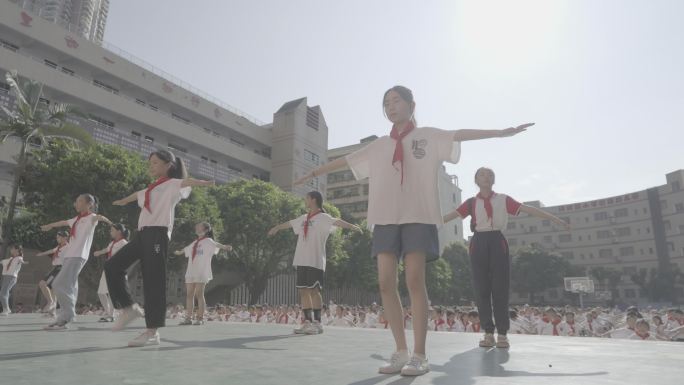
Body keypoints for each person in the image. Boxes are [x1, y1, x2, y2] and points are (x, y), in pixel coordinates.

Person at [293, 85, 531, 376]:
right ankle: (400, 351)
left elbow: (458, 134)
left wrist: (499, 132)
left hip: (418, 215)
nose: (391, 106)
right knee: (384, 283)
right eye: (386, 103)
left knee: (415, 281)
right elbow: (347, 160)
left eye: (396, 101)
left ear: (411, 104)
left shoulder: (427, 136)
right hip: (385, 217)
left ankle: (419, 354)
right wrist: (314, 172)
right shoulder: (380, 145)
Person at [444, 167, 570, 348]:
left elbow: (529, 209)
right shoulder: (471, 203)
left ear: (494, 180)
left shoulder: (502, 199)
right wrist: (424, 223)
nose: (486, 178)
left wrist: (555, 219)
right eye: (482, 175)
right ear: (476, 180)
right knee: (481, 290)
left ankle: (502, 333)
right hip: (478, 242)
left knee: (500, 289)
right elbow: (450, 216)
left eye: (489, 175)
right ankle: (488, 333)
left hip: (497, 241)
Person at [106, 149, 214, 347]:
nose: (151, 166)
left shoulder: (172, 184)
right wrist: (123, 201)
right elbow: (136, 195)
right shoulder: (151, 188)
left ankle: (152, 330)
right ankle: (129, 308)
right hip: (142, 234)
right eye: (150, 163)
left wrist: (202, 183)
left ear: (168, 165)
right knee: (112, 266)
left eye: (155, 162)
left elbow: (186, 182)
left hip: (158, 234)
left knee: (153, 281)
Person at [268, 191, 360, 335]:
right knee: (303, 291)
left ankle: (317, 323)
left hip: (315, 260)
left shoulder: (323, 217)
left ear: (313, 200)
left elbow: (337, 221)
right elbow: (290, 223)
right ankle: (307, 322)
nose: (305, 200)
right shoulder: (304, 217)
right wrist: (277, 227)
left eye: (307, 198)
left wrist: (352, 226)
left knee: (314, 291)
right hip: (301, 259)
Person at [40, 194, 111, 330]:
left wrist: (107, 221)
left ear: (89, 204)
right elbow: (63, 222)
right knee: (70, 286)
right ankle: (64, 318)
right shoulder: (77, 219)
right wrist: (50, 225)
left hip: (78, 256)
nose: (75, 203)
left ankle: (67, 316)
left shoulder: (91, 218)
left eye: (79, 201)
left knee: (58, 283)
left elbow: (99, 217)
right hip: (70, 256)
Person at [175, 222, 232, 326]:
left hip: (201, 271)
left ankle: (200, 318)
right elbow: (186, 249)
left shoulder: (208, 241)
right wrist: (179, 252)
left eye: (199, 226)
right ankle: (188, 318)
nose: (196, 227)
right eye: (196, 226)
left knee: (199, 294)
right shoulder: (195, 242)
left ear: (206, 230)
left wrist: (225, 247)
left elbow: (217, 244)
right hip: (191, 271)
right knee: (189, 295)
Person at [93, 223, 130, 322]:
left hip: (116, 270)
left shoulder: (124, 243)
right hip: (108, 269)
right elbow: (107, 250)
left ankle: (111, 315)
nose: (110, 232)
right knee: (101, 292)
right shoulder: (113, 243)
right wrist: (99, 252)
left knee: (111, 292)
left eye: (112, 230)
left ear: (119, 232)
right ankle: (109, 313)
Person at [34, 231, 69, 314]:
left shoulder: (68, 247)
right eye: (57, 237)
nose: (57, 239)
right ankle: (52, 312)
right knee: (53, 288)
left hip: (60, 268)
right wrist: (42, 254)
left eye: (59, 237)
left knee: (42, 283)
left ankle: (50, 302)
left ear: (65, 238)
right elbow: (51, 251)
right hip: (55, 268)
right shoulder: (59, 247)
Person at [0, 244, 28, 315]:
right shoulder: (11, 259)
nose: (11, 250)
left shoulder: (19, 258)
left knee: (3, 293)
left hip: (11, 277)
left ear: (17, 250)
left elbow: (21, 261)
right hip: (7, 277)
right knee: (4, 292)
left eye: (12, 249)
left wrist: (23, 262)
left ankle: (6, 309)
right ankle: (7, 309)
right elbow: (3, 262)